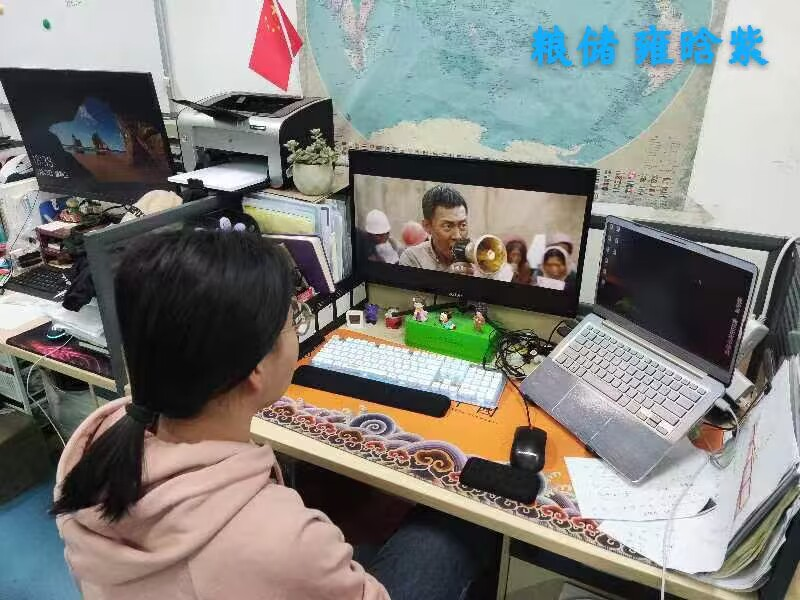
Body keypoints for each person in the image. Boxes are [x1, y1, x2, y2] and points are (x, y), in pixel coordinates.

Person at [51, 230, 496, 600]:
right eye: (293, 319)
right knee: (460, 523)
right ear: (255, 370)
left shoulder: (96, 446)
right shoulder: (285, 542)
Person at [399, 184, 512, 281]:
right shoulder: (413, 258)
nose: (458, 236)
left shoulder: (480, 252)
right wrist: (446, 280)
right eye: (447, 226)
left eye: (463, 225)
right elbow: (413, 297)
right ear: (427, 226)